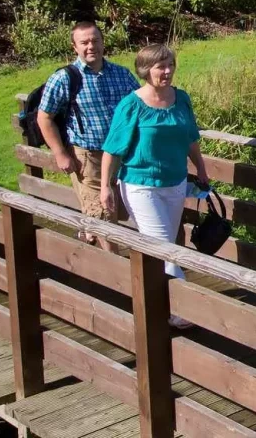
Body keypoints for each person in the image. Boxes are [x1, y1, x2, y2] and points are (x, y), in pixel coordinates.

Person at [100, 43, 209, 330]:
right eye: (161, 66)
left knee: (164, 247)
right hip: (140, 185)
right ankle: (185, 310)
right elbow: (112, 150)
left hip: (175, 183)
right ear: (146, 70)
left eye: (171, 64)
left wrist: (201, 167)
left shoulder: (181, 98)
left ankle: (155, 303)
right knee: (162, 247)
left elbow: (190, 137)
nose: (168, 71)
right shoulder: (131, 105)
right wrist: (105, 187)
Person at [37, 21, 139, 248]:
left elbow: (141, 106)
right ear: (75, 47)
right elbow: (44, 118)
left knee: (118, 210)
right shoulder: (64, 78)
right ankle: (112, 270)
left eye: (95, 40)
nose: (91, 46)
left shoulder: (122, 75)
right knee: (104, 216)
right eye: (84, 42)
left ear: (103, 42)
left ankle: (88, 233)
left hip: (124, 157)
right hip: (88, 158)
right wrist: (60, 154)